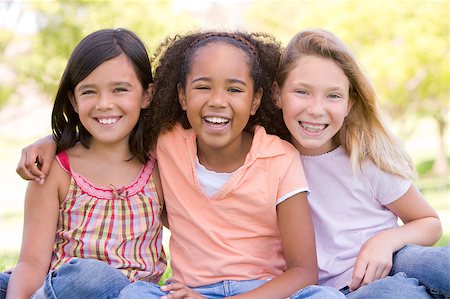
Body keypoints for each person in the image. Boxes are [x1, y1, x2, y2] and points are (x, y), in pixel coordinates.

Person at [13, 31, 345, 299]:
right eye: (202, 87)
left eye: (234, 89)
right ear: (182, 97)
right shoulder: (168, 145)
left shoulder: (279, 157)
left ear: (256, 99)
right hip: (184, 292)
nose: (217, 100)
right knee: (125, 293)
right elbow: (110, 125)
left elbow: (304, 271)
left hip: (261, 290)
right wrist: (53, 139)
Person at [274, 28, 450, 299]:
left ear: (349, 104)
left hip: (395, 258)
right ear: (277, 94)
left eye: (333, 95)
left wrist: (383, 241)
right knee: (395, 293)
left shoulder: (363, 158)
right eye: (302, 92)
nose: (316, 109)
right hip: (343, 290)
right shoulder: (268, 162)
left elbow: (429, 222)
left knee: (438, 264)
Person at [0, 28, 166, 299]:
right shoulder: (56, 170)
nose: (104, 104)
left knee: (95, 277)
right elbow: (31, 262)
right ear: (73, 100)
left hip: (133, 293)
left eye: (120, 89)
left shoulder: (159, 168)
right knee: (74, 278)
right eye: (89, 91)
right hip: (64, 290)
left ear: (147, 95)